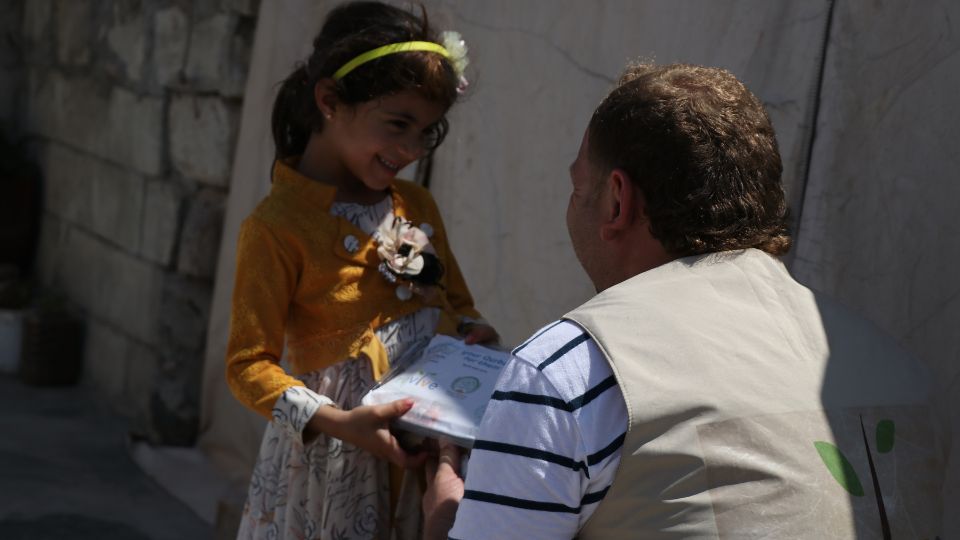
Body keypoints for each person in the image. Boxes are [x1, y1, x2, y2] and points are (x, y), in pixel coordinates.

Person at [423, 62, 947, 539]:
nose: (571, 205)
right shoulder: (904, 373)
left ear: (618, 201)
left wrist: (445, 516)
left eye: (578, 187)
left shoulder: (572, 368)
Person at [224, 3, 497, 539]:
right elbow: (246, 366)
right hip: (332, 467)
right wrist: (340, 423)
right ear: (329, 101)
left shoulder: (415, 203)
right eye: (399, 123)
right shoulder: (277, 227)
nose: (412, 148)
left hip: (422, 454)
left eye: (427, 131)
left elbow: (455, 304)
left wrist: (471, 333)